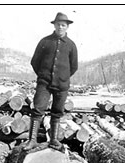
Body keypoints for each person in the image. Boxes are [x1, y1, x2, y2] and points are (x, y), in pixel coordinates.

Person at [24, 12, 78, 151]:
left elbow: (74, 66)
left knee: (57, 111)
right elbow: (35, 61)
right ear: (54, 25)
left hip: (62, 85)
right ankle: (32, 140)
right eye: (58, 24)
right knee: (37, 109)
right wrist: (43, 76)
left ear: (67, 27)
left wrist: (63, 77)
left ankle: (54, 140)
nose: (60, 27)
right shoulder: (45, 41)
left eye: (63, 25)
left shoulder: (71, 45)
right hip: (45, 84)